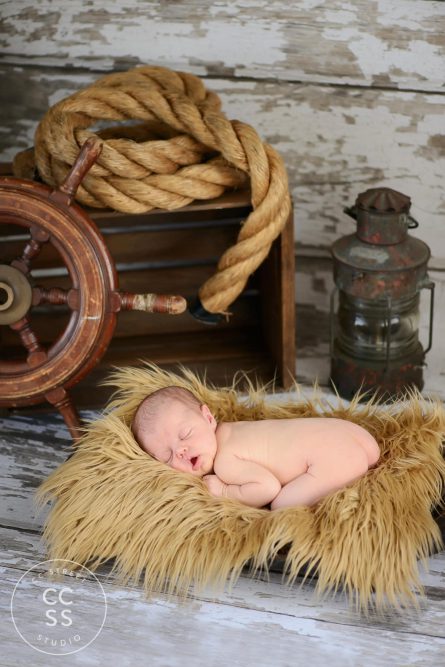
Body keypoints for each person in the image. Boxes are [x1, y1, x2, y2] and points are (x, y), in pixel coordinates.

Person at [131, 386, 380, 510]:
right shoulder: (233, 429)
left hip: (333, 457)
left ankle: (349, 466)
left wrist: (226, 492)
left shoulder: (225, 462)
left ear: (208, 418)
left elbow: (267, 488)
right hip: (348, 434)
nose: (181, 451)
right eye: (167, 456)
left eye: (185, 434)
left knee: (281, 506)